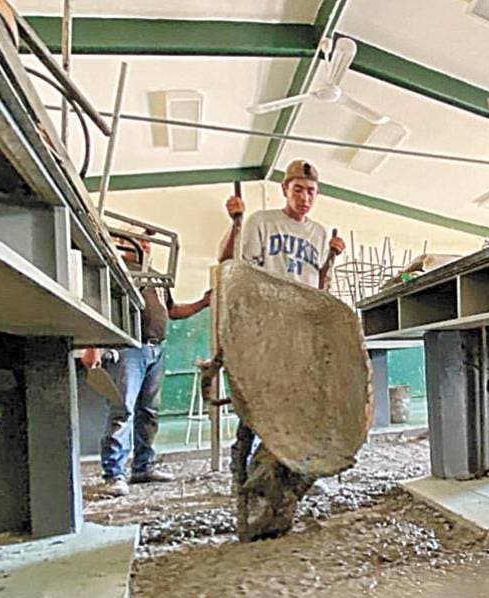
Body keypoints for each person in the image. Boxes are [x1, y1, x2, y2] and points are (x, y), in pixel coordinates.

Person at [217, 159, 346, 539]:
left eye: (311, 191)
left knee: (301, 403)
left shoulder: (318, 233)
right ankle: (241, 475)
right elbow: (232, 266)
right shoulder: (262, 222)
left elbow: (320, 287)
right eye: (298, 189)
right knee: (256, 404)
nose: (305, 197)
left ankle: (293, 471)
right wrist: (235, 223)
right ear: (285, 189)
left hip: (302, 331)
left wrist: (333, 257)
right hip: (266, 327)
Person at [82, 231, 211, 497]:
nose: (144, 244)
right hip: (127, 349)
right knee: (123, 411)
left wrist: (202, 303)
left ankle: (143, 467)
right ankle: (114, 474)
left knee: (149, 412)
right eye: (137, 239)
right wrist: (93, 345)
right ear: (121, 243)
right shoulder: (116, 272)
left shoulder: (155, 278)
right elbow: (97, 308)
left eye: (146, 241)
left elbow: (171, 311)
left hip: (155, 349)